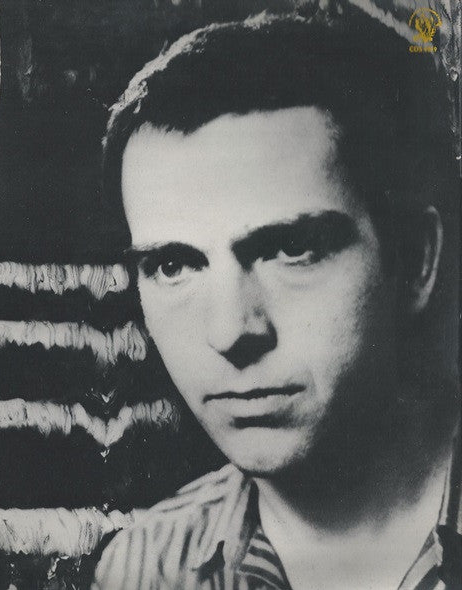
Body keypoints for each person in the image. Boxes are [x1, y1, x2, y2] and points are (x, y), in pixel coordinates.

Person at [93, 6, 461, 590]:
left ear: (415, 261)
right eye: (173, 265)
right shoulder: (144, 569)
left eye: (291, 249)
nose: (230, 332)